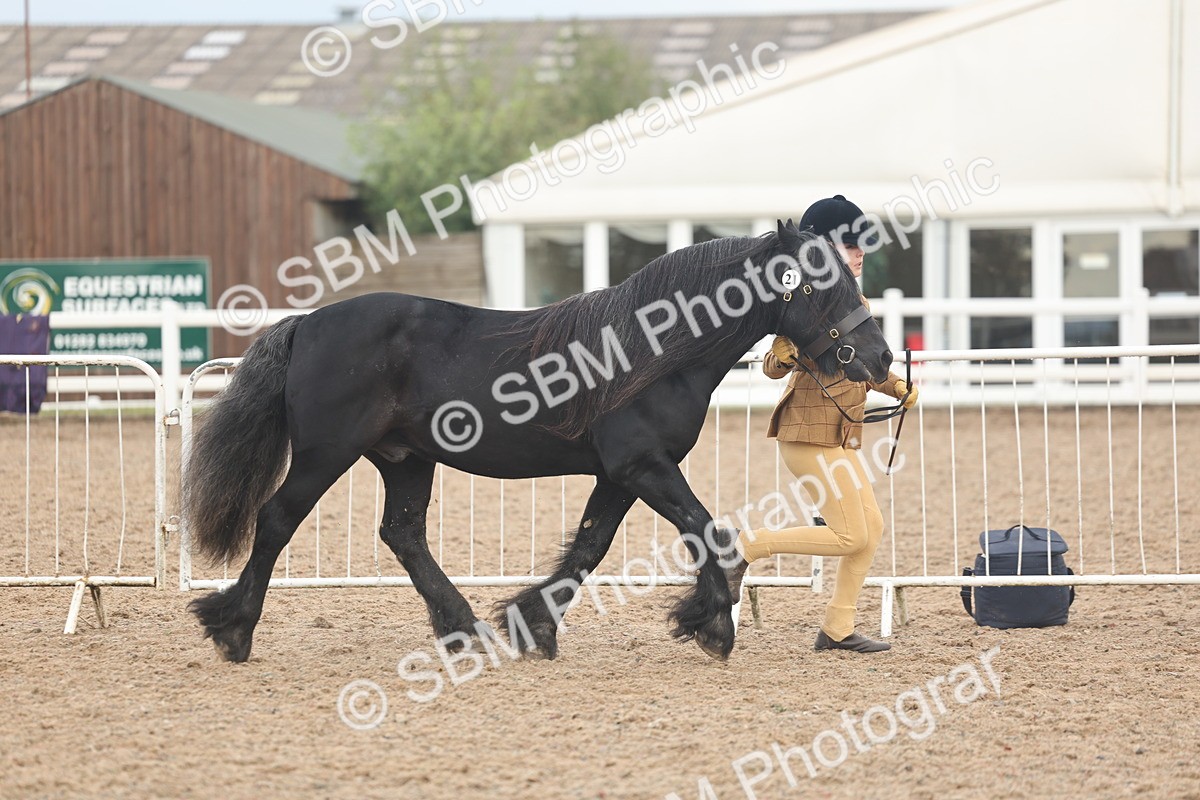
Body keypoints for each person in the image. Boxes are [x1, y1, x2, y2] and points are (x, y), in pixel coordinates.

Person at [727, 195, 918, 653]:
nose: (861, 253)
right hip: (807, 435)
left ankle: (837, 627)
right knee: (850, 533)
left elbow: (863, 364)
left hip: (842, 435)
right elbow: (773, 366)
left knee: (870, 531)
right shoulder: (808, 301)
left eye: (862, 245)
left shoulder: (854, 299)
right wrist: (784, 354)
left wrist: (895, 388)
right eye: (851, 245)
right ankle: (744, 548)